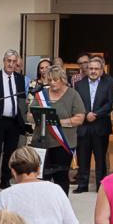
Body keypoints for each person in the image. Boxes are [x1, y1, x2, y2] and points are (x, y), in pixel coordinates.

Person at [34, 64, 87, 192]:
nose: (52, 83)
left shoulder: (73, 94)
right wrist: (35, 116)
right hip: (42, 143)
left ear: (62, 79)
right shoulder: (41, 94)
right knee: (41, 178)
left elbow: (80, 118)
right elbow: (30, 115)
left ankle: (61, 208)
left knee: (61, 178)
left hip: (63, 143)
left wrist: (58, 122)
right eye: (49, 80)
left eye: (55, 80)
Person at [0, 50, 29, 192]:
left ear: (17, 63)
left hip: (14, 122)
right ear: (4, 61)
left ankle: (5, 180)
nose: (10, 64)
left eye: (13, 61)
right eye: (8, 61)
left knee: (10, 153)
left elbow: (21, 101)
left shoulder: (20, 79)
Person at [73, 56, 113, 193]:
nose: (93, 71)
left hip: (100, 125)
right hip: (83, 126)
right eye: (90, 68)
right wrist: (86, 115)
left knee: (100, 158)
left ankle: (101, 186)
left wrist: (95, 114)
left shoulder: (108, 83)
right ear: (87, 69)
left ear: (101, 70)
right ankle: (82, 185)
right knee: (83, 157)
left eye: (96, 69)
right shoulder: (79, 84)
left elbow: (110, 103)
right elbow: (76, 104)